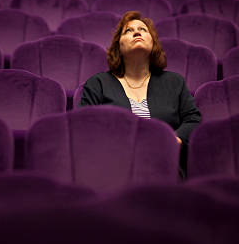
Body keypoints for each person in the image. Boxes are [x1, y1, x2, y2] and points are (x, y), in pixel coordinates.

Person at [78, 11, 201, 173]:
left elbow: (193, 119)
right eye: (128, 31)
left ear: (153, 42)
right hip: (114, 169)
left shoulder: (174, 82)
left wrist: (174, 139)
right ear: (118, 46)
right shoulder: (97, 84)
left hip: (165, 166)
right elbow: (83, 127)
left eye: (143, 29)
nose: (136, 32)